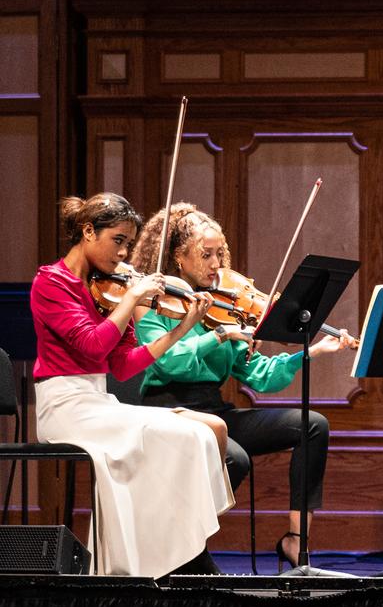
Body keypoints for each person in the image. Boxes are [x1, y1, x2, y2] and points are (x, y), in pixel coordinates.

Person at [130, 203, 349, 568]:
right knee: (235, 457)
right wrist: (217, 335)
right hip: (169, 409)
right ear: (178, 258)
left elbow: (260, 375)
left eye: (220, 254)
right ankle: (184, 547)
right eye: (206, 255)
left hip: (213, 409)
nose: (217, 264)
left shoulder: (224, 307)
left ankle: (296, 540)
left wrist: (310, 352)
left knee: (313, 424)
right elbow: (170, 362)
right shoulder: (152, 305)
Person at [29, 193, 234, 576]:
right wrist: (135, 298)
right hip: (64, 408)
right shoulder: (50, 282)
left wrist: (183, 329)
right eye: (118, 241)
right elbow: (92, 343)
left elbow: (123, 367)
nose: (124, 254)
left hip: (97, 400)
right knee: (184, 437)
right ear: (89, 232)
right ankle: (182, 562)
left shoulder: (110, 292)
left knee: (203, 433)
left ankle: (173, 554)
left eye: (128, 243)